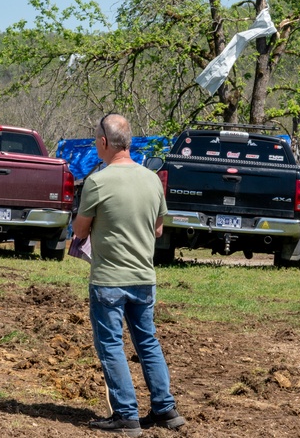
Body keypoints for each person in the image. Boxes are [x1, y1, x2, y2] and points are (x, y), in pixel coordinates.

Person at [71, 113, 186, 436]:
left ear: (104, 143)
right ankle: (165, 409)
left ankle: (125, 414)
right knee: (147, 342)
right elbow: (158, 229)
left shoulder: (97, 182)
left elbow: (80, 230)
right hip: (144, 277)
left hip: (109, 278)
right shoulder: (152, 179)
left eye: (96, 139)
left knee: (110, 345)